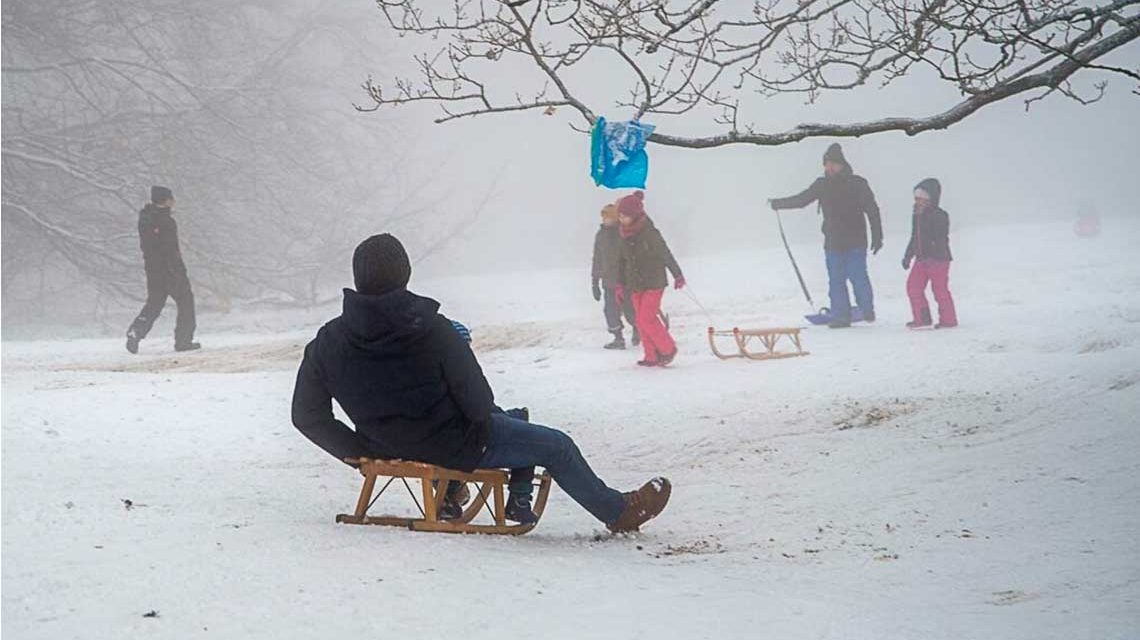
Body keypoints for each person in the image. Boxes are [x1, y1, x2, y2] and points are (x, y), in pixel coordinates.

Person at [291, 233, 671, 532]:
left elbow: (306, 415)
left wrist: (356, 451)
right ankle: (619, 512)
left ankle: (452, 490)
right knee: (556, 445)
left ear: (358, 278)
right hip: (457, 444)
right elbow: (475, 404)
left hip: (381, 445)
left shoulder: (327, 341)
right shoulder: (435, 330)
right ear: (405, 274)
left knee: (514, 420)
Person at [769, 143, 883, 328]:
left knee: (858, 277)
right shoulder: (821, 185)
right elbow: (802, 200)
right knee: (836, 280)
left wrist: (878, 235)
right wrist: (778, 203)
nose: (829, 167)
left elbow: (872, 210)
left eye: (833, 164)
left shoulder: (858, 183)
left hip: (855, 240)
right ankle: (841, 316)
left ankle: (867, 308)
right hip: (833, 241)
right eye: (826, 164)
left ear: (842, 165)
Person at [614, 191, 685, 367]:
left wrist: (677, 274)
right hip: (636, 284)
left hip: (654, 282)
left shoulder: (650, 233)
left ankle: (668, 349)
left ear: (634, 215)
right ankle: (651, 356)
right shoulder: (623, 234)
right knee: (640, 320)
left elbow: (665, 253)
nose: (621, 219)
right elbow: (622, 262)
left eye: (625, 216)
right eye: (620, 216)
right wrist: (619, 285)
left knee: (647, 318)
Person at [126, 186, 199, 353]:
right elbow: (170, 250)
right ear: (165, 200)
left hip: (153, 270)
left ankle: (136, 331)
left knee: (154, 304)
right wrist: (178, 270)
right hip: (171, 270)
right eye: (171, 198)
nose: (173, 201)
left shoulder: (145, 219)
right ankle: (183, 341)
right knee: (186, 302)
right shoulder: (166, 221)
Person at [902, 178, 957, 329]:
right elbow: (914, 237)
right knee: (913, 287)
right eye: (916, 198)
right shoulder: (916, 215)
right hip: (921, 259)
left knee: (939, 290)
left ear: (931, 199)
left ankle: (948, 320)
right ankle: (922, 318)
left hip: (938, 259)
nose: (917, 201)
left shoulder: (940, 215)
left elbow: (940, 236)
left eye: (921, 198)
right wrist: (908, 256)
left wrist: (933, 250)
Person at [592, 203, 639, 350]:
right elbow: (597, 258)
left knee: (630, 309)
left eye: (609, 217)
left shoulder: (624, 232)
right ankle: (618, 338)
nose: (606, 219)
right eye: (604, 217)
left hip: (626, 281)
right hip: (608, 281)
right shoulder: (600, 236)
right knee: (610, 310)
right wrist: (595, 281)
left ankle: (638, 329)